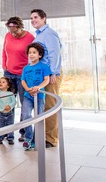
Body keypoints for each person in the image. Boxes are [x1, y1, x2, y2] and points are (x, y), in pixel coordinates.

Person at [30, 8, 63, 148]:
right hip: (42, 73)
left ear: (44, 18)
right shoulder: (38, 35)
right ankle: (43, 136)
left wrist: (53, 73)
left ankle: (51, 139)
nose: (33, 20)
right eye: (31, 18)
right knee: (42, 106)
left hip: (50, 74)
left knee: (50, 105)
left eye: (36, 17)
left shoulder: (49, 34)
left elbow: (54, 54)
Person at [2, 16, 35, 142]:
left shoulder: (30, 38)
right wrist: (4, 64)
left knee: (24, 102)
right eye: (10, 30)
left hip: (23, 74)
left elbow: (33, 54)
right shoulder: (8, 35)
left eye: (15, 30)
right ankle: (6, 131)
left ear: (20, 27)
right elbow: (4, 51)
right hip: (9, 72)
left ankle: (23, 131)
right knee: (7, 102)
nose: (13, 33)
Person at [20, 42, 51, 151]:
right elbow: (23, 81)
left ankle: (35, 141)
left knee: (38, 118)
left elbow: (46, 80)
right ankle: (28, 139)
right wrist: (28, 89)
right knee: (26, 116)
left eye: (34, 52)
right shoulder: (25, 68)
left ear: (40, 55)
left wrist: (38, 87)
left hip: (40, 96)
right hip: (28, 96)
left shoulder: (44, 67)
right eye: (29, 53)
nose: (31, 54)